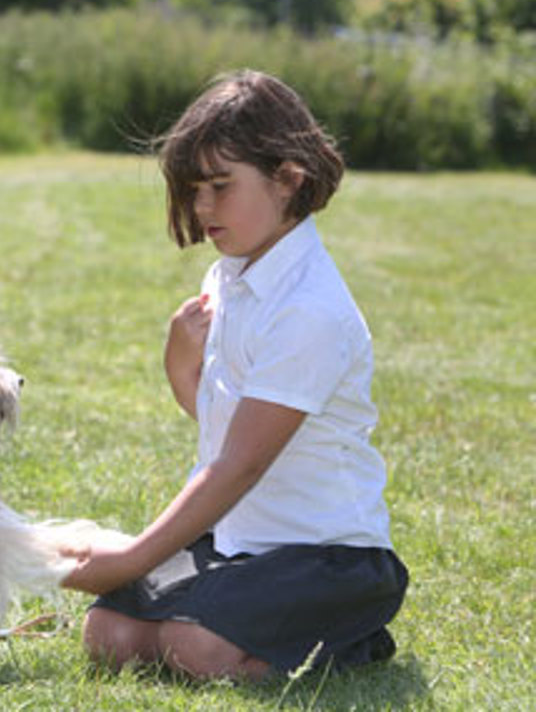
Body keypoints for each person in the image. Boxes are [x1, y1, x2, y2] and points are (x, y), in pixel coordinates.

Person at [62, 70, 408, 681]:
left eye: (220, 186)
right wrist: (180, 367)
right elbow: (231, 425)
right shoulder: (228, 278)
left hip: (330, 559)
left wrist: (135, 556)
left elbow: (241, 463)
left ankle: (352, 638)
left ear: (287, 179)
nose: (200, 208)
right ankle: (242, 619)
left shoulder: (311, 310)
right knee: (107, 634)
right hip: (238, 544)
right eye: (193, 188)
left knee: (198, 650)